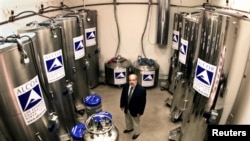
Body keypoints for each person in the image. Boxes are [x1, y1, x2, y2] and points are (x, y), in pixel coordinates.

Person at [120, 73, 147, 140]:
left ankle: (137, 133)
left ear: (136, 80)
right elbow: (123, 96)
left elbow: (142, 103)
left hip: (135, 110)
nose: (131, 82)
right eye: (130, 80)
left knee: (136, 122)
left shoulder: (141, 90)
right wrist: (122, 105)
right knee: (127, 119)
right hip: (127, 108)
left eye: (133, 80)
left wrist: (140, 112)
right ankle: (129, 128)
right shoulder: (126, 86)